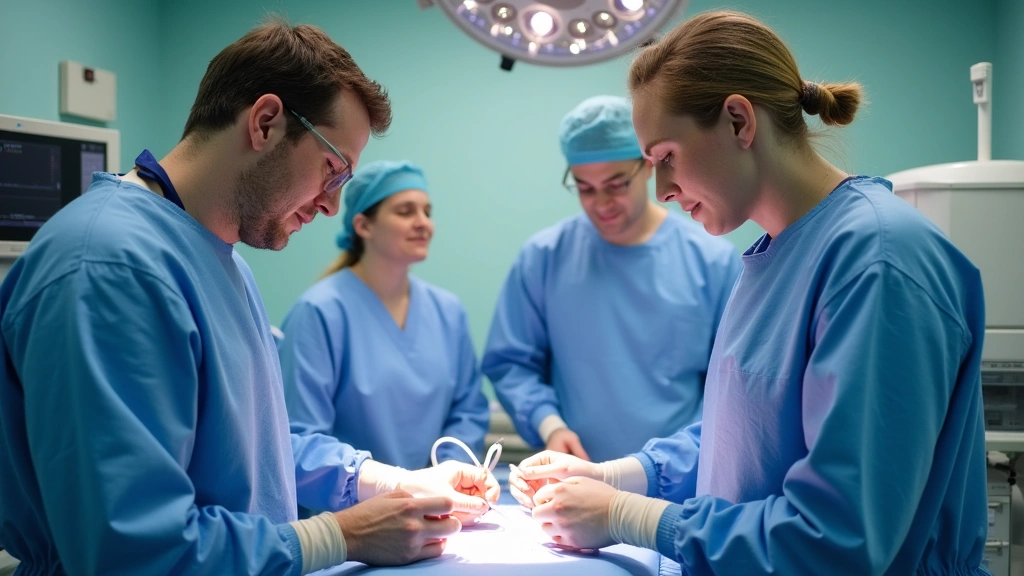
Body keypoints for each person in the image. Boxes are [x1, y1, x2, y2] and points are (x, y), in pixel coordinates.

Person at [0, 20, 496, 576]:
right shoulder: (107, 269)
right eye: (333, 171)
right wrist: (340, 535)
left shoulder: (223, 259)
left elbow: (252, 449)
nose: (332, 207)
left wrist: (388, 481)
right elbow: (133, 550)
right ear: (265, 122)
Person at [508, 10, 990, 575]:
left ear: (739, 120)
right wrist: (621, 475)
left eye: (665, 158)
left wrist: (633, 517)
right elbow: (743, 436)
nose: (661, 190)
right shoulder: (774, 254)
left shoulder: (879, 261)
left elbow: (837, 538)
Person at [482, 95, 741, 463]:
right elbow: (511, 364)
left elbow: (729, 388)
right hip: (577, 477)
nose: (601, 202)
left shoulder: (712, 261)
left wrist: (678, 460)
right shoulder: (544, 258)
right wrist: (550, 426)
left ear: (649, 166)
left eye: (616, 184)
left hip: (682, 482)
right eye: (585, 188)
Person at [278, 160, 491, 472]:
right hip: (351, 512)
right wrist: (381, 487)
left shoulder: (448, 312)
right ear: (364, 226)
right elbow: (301, 438)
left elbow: (468, 412)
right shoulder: (319, 313)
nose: (423, 223)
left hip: (440, 506)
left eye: (427, 212)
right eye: (405, 212)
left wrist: (446, 475)